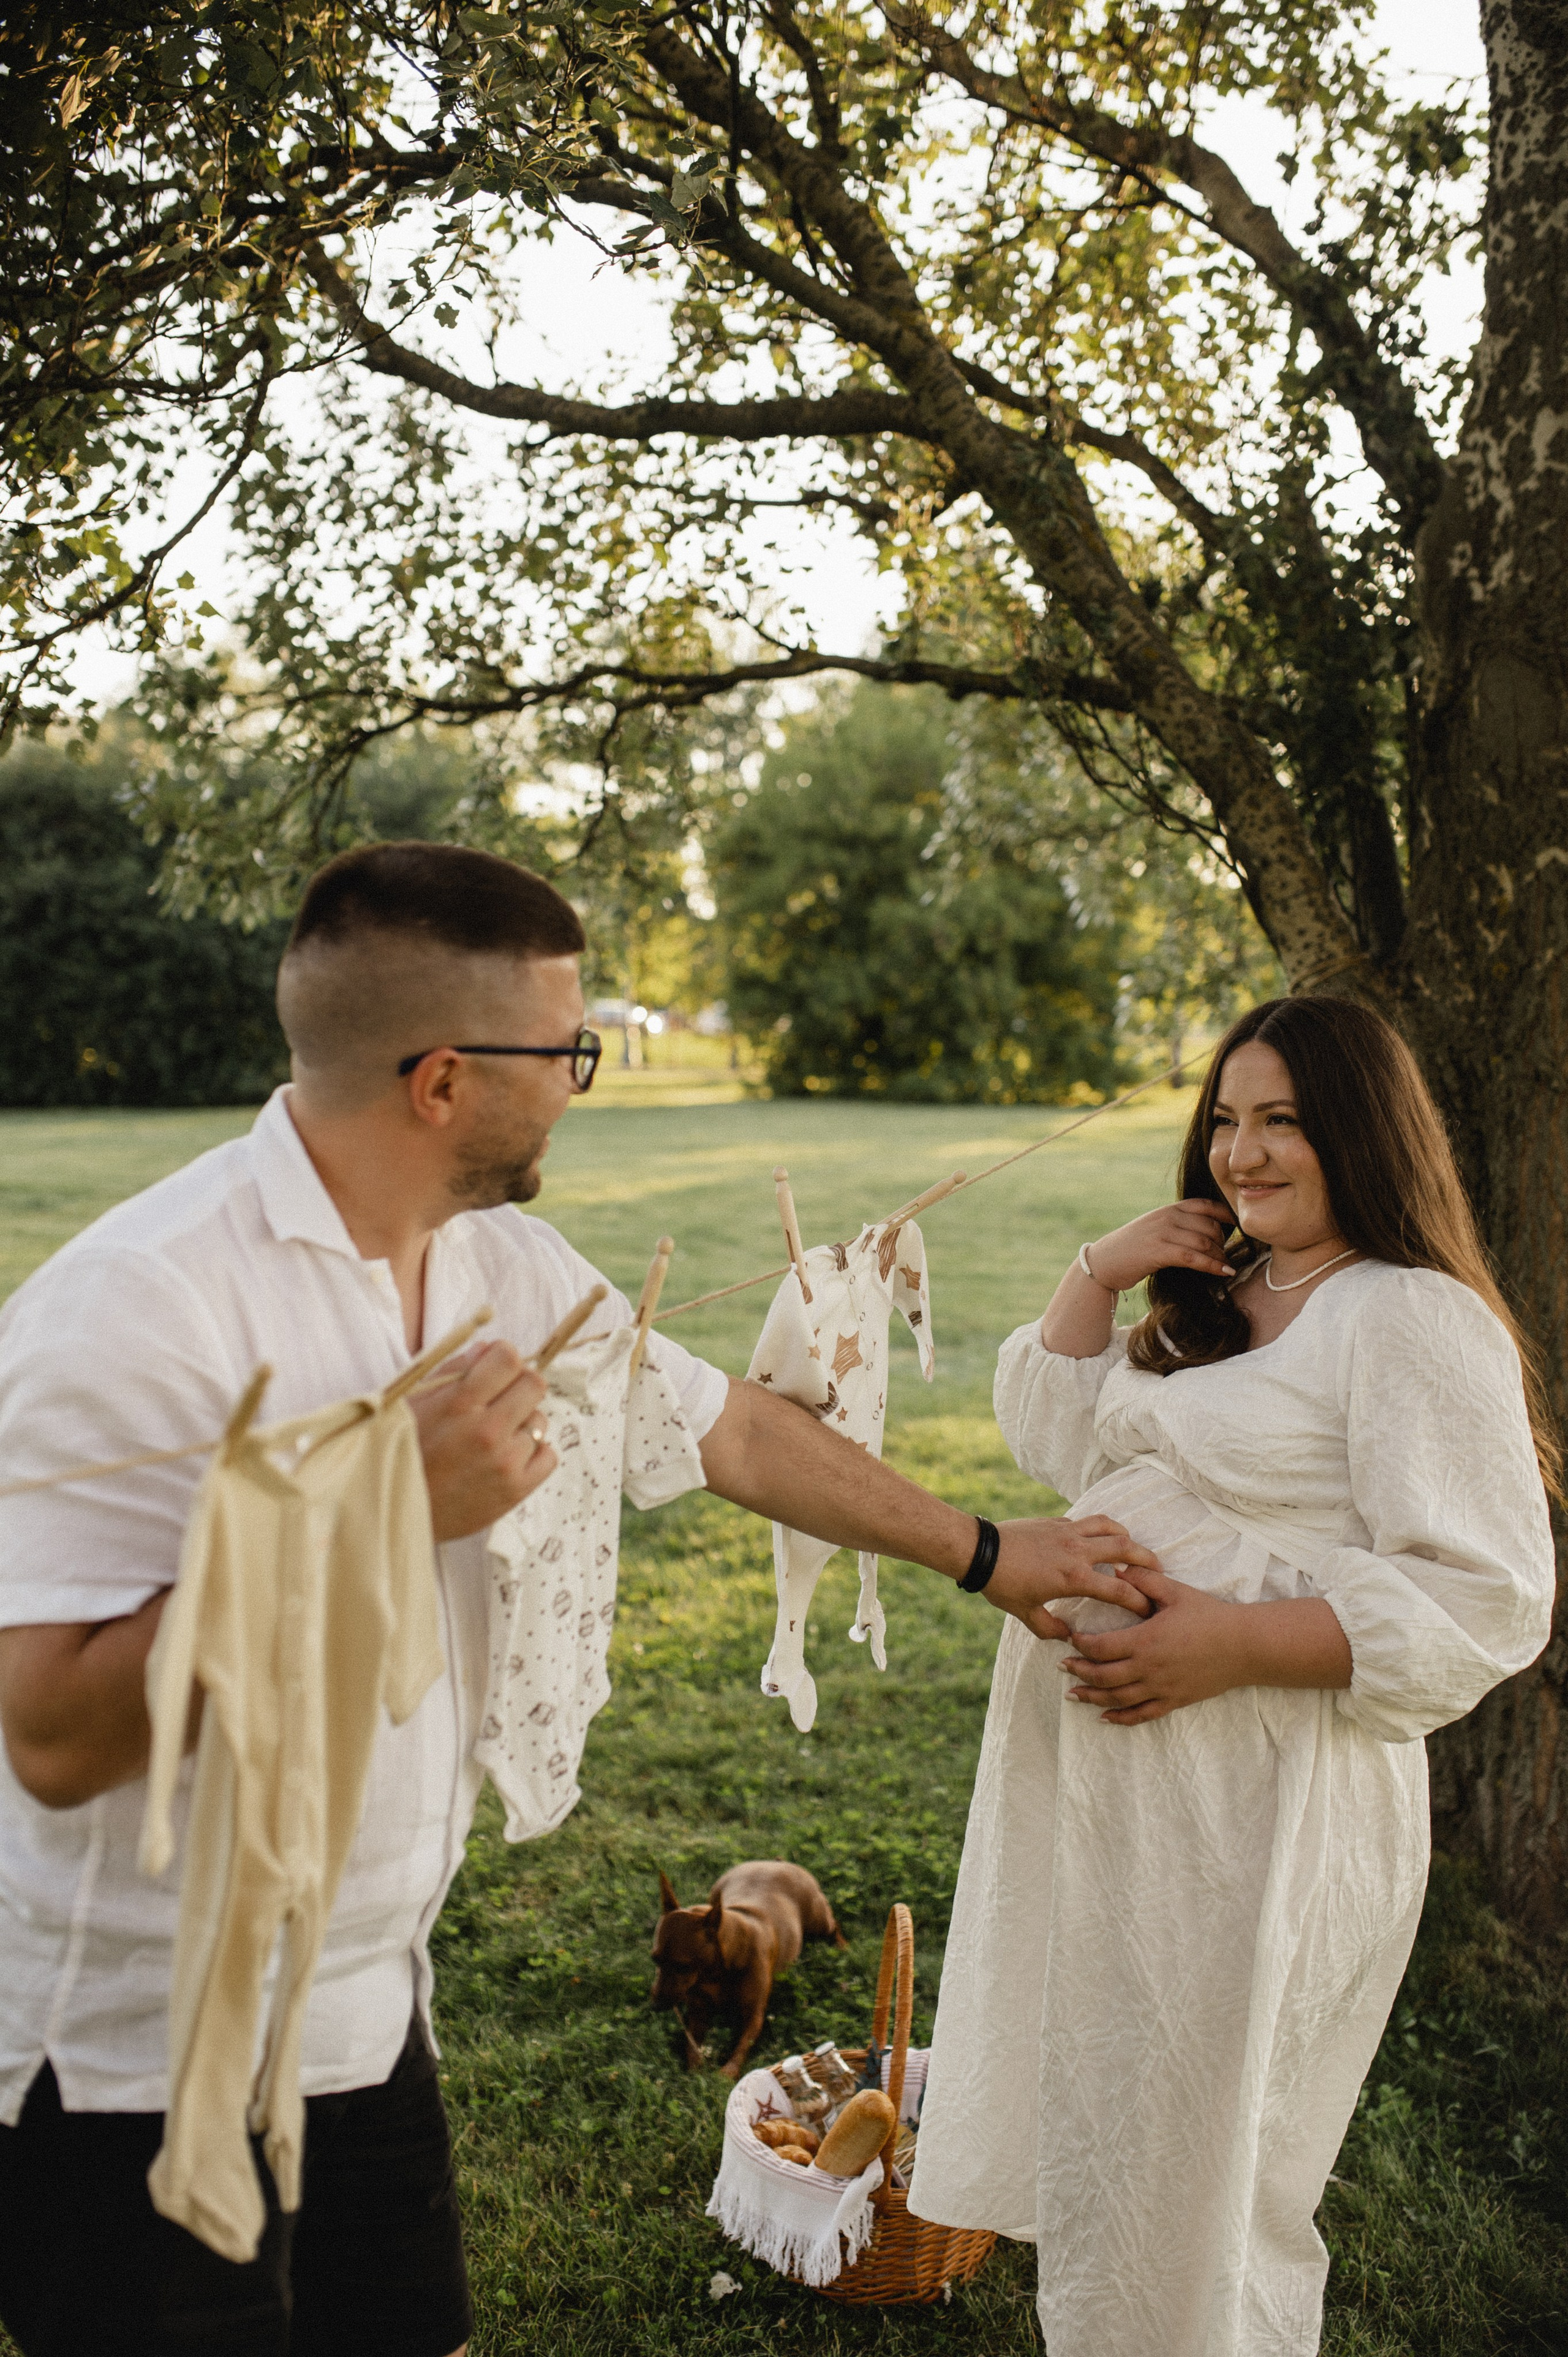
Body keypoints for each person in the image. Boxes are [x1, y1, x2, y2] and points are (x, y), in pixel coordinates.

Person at [0, 842, 1156, 2357]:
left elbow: (728, 1428)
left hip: (366, 2003)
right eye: (570, 1051)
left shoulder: (498, 1260)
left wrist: (989, 1553)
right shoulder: (138, 1307)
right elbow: (59, 1733)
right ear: (442, 1080)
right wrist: (381, 1510)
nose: (581, 1080)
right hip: (136, 2056)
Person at [908, 994, 1558, 2357]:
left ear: (1363, 1135)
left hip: (1265, 1804)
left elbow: (1487, 1595)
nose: (1240, 1154)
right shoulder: (1223, 1294)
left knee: (1208, 2164)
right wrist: (1101, 1266)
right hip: (1111, 1800)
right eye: (1224, 1120)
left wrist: (1227, 1640)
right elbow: (1057, 1435)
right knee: (1118, 2131)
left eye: (1281, 1122)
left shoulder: (1408, 1316)